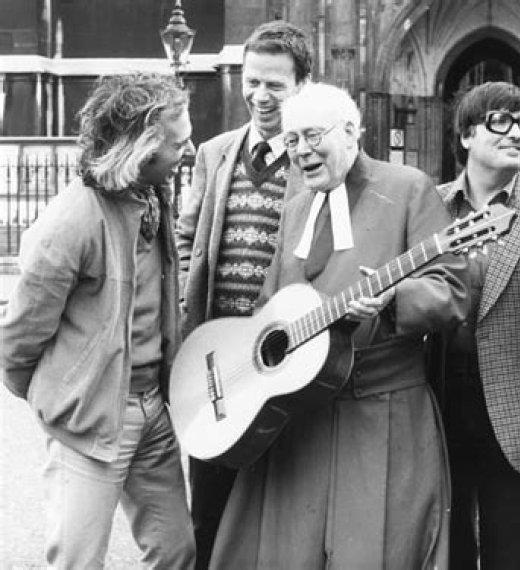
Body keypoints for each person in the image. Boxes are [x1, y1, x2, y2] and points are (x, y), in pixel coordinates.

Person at [206, 82, 470, 569]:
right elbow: (268, 308)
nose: (301, 151)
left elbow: (452, 290)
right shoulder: (294, 208)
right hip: (300, 419)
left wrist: (394, 299)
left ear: (350, 132)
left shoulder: (408, 188)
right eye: (291, 140)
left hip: (382, 413)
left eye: (313, 136)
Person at [0, 72, 196, 569]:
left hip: (153, 411)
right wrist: (66, 402)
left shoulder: (152, 194)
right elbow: (17, 342)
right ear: (141, 149)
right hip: (91, 421)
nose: (189, 151)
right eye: (178, 144)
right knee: (78, 562)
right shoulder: (70, 222)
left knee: (176, 551)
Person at [174, 20, 312, 568]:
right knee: (208, 509)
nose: (260, 96)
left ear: (302, 86)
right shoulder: (214, 153)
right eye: (252, 82)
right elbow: (185, 239)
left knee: (278, 509)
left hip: (280, 361)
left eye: (275, 85)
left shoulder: (314, 159)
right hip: (214, 363)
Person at [429, 82, 520, 569]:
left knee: (511, 553)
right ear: (466, 135)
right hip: (441, 398)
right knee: (448, 548)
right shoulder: (431, 207)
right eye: (501, 121)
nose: (518, 133)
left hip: (517, 411)